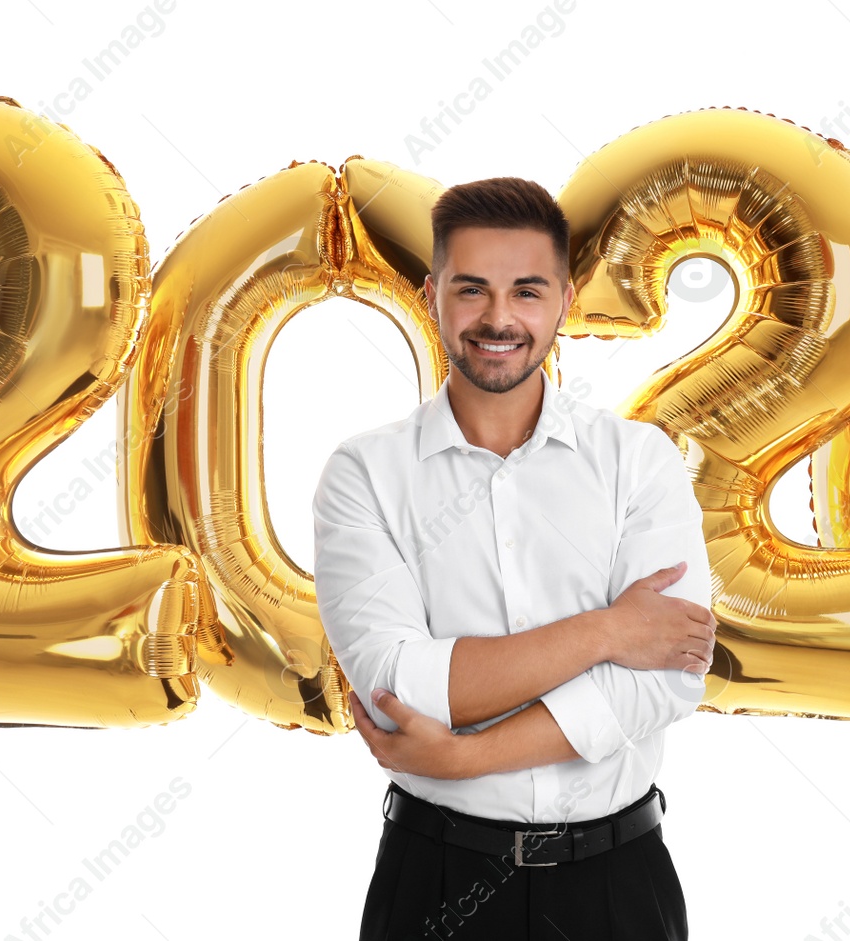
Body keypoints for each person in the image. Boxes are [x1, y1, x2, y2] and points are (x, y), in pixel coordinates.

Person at [311, 176, 717, 941]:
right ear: (432, 296)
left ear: (564, 300)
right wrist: (608, 632)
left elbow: (665, 674)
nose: (499, 318)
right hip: (435, 881)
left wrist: (467, 756)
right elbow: (400, 684)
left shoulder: (638, 460)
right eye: (473, 290)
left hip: (618, 886)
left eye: (526, 291)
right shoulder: (364, 473)